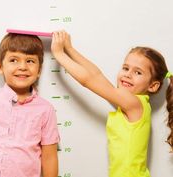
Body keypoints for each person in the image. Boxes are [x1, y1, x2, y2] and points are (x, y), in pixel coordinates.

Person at [51, 30, 173, 177]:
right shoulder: (134, 103)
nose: (128, 74)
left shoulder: (134, 103)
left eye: (138, 72)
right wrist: (70, 49)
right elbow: (96, 74)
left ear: (153, 86)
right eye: (126, 68)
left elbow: (89, 80)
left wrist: (59, 55)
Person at [0, 33, 60, 177]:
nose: (22, 67)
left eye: (30, 61)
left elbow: (49, 157)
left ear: (39, 70)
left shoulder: (46, 110)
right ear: (0, 66)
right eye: (14, 60)